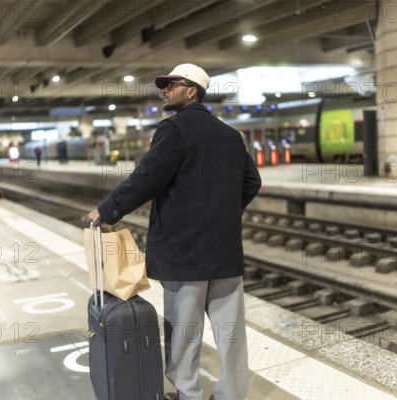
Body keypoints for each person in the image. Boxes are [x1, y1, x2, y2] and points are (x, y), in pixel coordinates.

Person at [88, 63, 262, 400]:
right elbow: (252, 182)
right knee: (231, 335)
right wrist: (223, 214)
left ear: (192, 91)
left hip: (185, 256)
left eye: (171, 84)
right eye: (163, 85)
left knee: (184, 333)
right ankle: (232, 394)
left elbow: (146, 178)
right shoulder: (230, 134)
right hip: (225, 254)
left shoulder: (175, 130)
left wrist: (107, 209)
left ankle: (189, 395)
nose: (164, 90)